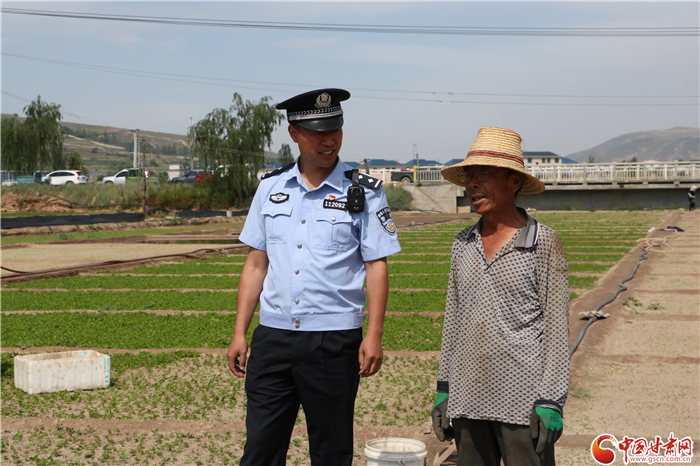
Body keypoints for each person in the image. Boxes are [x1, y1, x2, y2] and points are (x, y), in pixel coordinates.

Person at [227, 88, 402, 466]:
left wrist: (374, 334)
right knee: (260, 450)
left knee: (331, 453)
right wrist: (240, 332)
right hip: (273, 339)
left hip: (333, 342)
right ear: (294, 133)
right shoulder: (270, 188)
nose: (329, 140)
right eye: (317, 132)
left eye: (335, 129)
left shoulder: (364, 191)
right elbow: (256, 264)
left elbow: (376, 264)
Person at [431, 126, 570, 466]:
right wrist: (444, 387)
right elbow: (453, 321)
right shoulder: (463, 243)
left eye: (483, 175)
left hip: (523, 401)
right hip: (467, 396)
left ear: (514, 182)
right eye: (468, 177)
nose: (472, 185)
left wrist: (551, 399)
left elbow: (556, 328)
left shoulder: (543, 242)